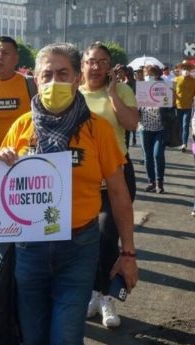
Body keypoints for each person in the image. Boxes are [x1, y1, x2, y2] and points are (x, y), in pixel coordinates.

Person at [0, 42, 137, 345]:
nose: (53, 82)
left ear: (76, 77)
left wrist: (127, 252)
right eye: (45, 74)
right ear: (33, 78)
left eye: (61, 73)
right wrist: (2, 161)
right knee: (37, 338)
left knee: (67, 340)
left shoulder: (96, 130)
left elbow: (120, 195)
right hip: (31, 250)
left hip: (79, 248)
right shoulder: (21, 128)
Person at [79, 42, 139, 328]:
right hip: (85, 179)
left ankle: (108, 299)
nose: (97, 67)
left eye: (103, 62)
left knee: (107, 238)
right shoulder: (74, 95)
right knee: (87, 240)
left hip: (116, 177)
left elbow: (131, 125)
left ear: (110, 66)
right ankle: (93, 292)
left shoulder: (122, 91)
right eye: (91, 61)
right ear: (83, 65)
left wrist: (113, 93)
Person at [139, 65, 170, 194]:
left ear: (157, 75)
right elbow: (136, 106)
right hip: (144, 127)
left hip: (160, 127)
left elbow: (169, 107)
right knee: (147, 156)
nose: (148, 76)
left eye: (151, 74)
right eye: (147, 73)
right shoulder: (141, 88)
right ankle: (151, 181)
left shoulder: (164, 88)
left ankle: (159, 182)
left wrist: (165, 99)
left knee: (157, 155)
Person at [173, 63, 195, 152]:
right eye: (184, 69)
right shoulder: (176, 79)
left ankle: (184, 144)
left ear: (190, 70)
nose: (186, 71)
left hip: (188, 106)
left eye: (187, 69)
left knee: (185, 125)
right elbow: (173, 92)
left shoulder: (193, 81)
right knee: (179, 126)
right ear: (181, 70)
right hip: (178, 106)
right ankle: (181, 141)